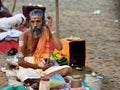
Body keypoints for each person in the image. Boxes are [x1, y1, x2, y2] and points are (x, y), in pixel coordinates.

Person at [17, 7, 72, 83]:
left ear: (43, 22)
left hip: (44, 65)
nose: (35, 25)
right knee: (25, 75)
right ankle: (46, 79)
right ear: (29, 22)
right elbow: (20, 62)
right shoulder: (24, 36)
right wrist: (39, 67)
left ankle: (40, 80)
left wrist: (50, 29)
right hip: (29, 66)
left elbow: (59, 47)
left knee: (67, 69)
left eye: (38, 21)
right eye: (32, 22)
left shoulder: (46, 32)